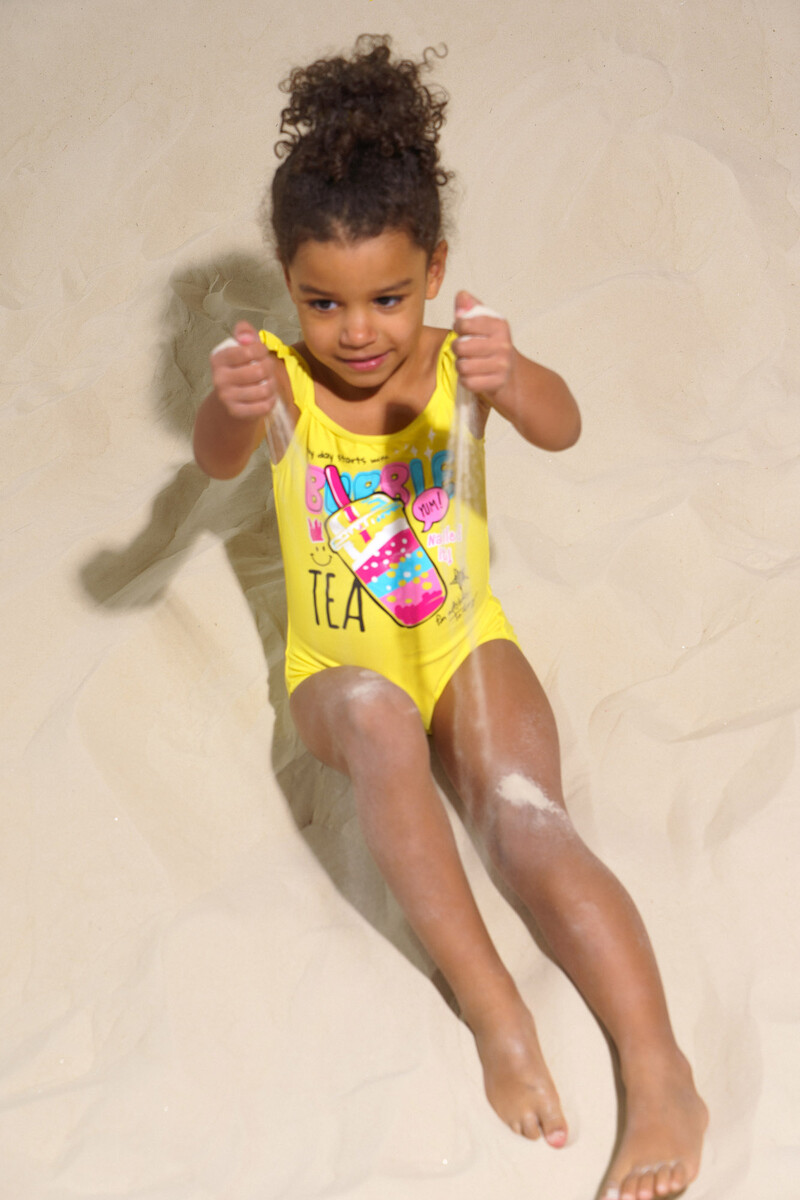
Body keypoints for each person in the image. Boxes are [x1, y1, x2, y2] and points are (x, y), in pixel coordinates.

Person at [192, 34, 707, 1200]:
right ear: (287, 283)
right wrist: (230, 404)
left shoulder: (456, 363)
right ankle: (492, 1008)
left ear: (432, 269)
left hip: (466, 643)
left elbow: (563, 427)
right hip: (338, 668)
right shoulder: (281, 381)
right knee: (378, 723)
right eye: (322, 301)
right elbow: (218, 457)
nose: (355, 330)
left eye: (385, 298)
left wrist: (510, 378)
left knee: (528, 824)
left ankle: (660, 1071)